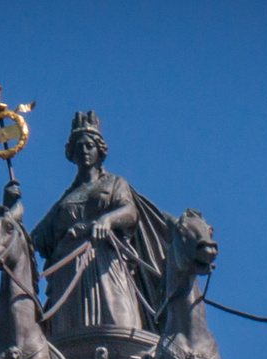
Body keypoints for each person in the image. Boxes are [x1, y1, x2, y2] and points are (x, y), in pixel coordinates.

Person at [28, 111, 170, 340]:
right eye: (79, 147)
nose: (84, 150)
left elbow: (130, 212)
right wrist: (11, 210)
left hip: (105, 262)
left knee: (119, 325)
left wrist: (107, 219)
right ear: (71, 154)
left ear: (99, 150)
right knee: (68, 334)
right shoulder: (64, 201)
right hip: (68, 271)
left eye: (89, 145)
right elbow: (32, 240)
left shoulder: (114, 183)